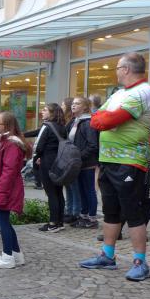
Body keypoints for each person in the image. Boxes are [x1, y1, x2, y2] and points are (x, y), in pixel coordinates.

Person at [80, 52, 150, 281]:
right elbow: (95, 119)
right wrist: (102, 118)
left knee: (133, 212)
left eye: (117, 68)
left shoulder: (143, 92)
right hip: (109, 160)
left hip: (130, 161)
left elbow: (107, 120)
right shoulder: (119, 94)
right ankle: (107, 255)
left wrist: (104, 118)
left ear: (126, 69)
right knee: (111, 210)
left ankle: (140, 261)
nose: (116, 72)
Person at [0, 112, 32, 268]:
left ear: (7, 126)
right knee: (4, 221)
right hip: (3, 187)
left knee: (3, 221)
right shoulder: (2, 140)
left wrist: (1, 192)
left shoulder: (12, 144)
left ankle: (7, 256)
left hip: (7, 188)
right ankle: (16, 255)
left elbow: (8, 171)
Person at [34, 103, 67, 232]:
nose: (42, 112)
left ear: (52, 113)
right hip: (59, 162)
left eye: (45, 110)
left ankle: (53, 223)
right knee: (58, 192)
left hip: (47, 162)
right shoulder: (62, 126)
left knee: (51, 193)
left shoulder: (47, 126)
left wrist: (37, 156)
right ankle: (60, 221)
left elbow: (39, 146)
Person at [68, 96, 99, 229]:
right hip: (77, 163)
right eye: (73, 103)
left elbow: (93, 145)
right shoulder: (75, 121)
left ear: (85, 107)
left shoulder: (87, 122)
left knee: (89, 190)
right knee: (81, 191)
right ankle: (84, 216)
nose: (73, 105)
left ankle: (92, 218)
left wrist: (79, 157)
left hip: (86, 163)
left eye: (77, 103)